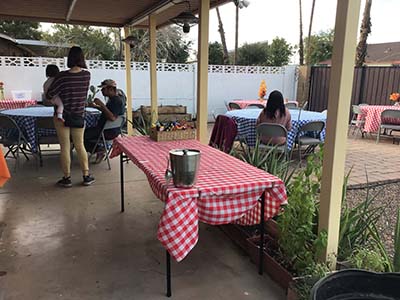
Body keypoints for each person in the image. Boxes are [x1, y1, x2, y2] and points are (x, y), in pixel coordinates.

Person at [46, 46, 95, 187]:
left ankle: (66, 178)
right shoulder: (87, 75)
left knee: (65, 147)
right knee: (80, 146)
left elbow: (49, 94)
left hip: (62, 117)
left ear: (69, 58)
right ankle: (86, 176)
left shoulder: (62, 76)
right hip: (78, 116)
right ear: (82, 58)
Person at [85, 79, 126, 163]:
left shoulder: (116, 101)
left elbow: (112, 118)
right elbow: (108, 111)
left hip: (107, 131)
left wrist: (102, 104)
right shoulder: (112, 99)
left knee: (79, 136)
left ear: (110, 89)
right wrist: (95, 106)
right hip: (109, 129)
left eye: (104, 89)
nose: (102, 91)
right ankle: (98, 149)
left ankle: (99, 150)